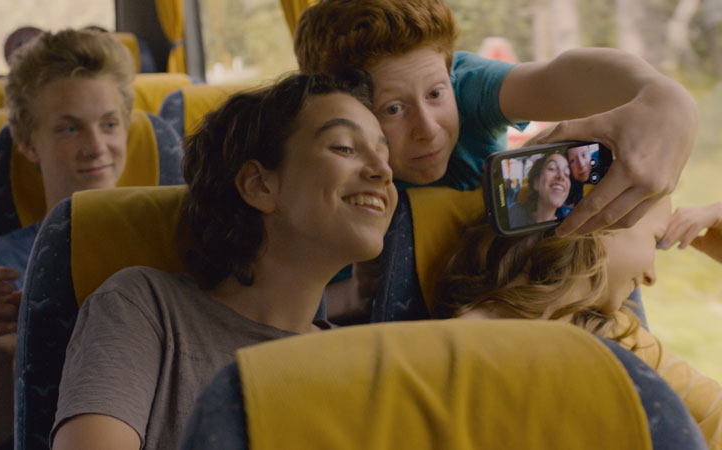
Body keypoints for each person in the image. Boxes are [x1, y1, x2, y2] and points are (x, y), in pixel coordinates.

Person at [50, 71, 398, 450]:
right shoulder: (144, 310)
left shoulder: (360, 363)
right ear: (259, 185)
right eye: (344, 148)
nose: (383, 171)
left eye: (384, 154)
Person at [294, 0, 699, 320]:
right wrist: (353, 292)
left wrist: (664, 97)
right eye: (393, 109)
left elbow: (556, 78)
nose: (428, 129)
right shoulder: (317, 168)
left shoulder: (467, 89)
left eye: (435, 94)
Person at [0, 28, 135, 448]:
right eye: (69, 129)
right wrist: (0, 358)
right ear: (28, 143)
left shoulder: (179, 243)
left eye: (109, 124)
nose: (96, 146)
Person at [432, 198, 722, 449]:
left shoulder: (623, 335)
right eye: (655, 239)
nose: (651, 277)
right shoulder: (462, 350)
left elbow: (713, 419)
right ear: (599, 217)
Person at [507, 152, 571, 228]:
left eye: (566, 173)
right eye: (552, 168)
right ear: (536, 182)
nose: (561, 177)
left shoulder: (566, 227)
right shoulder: (515, 212)